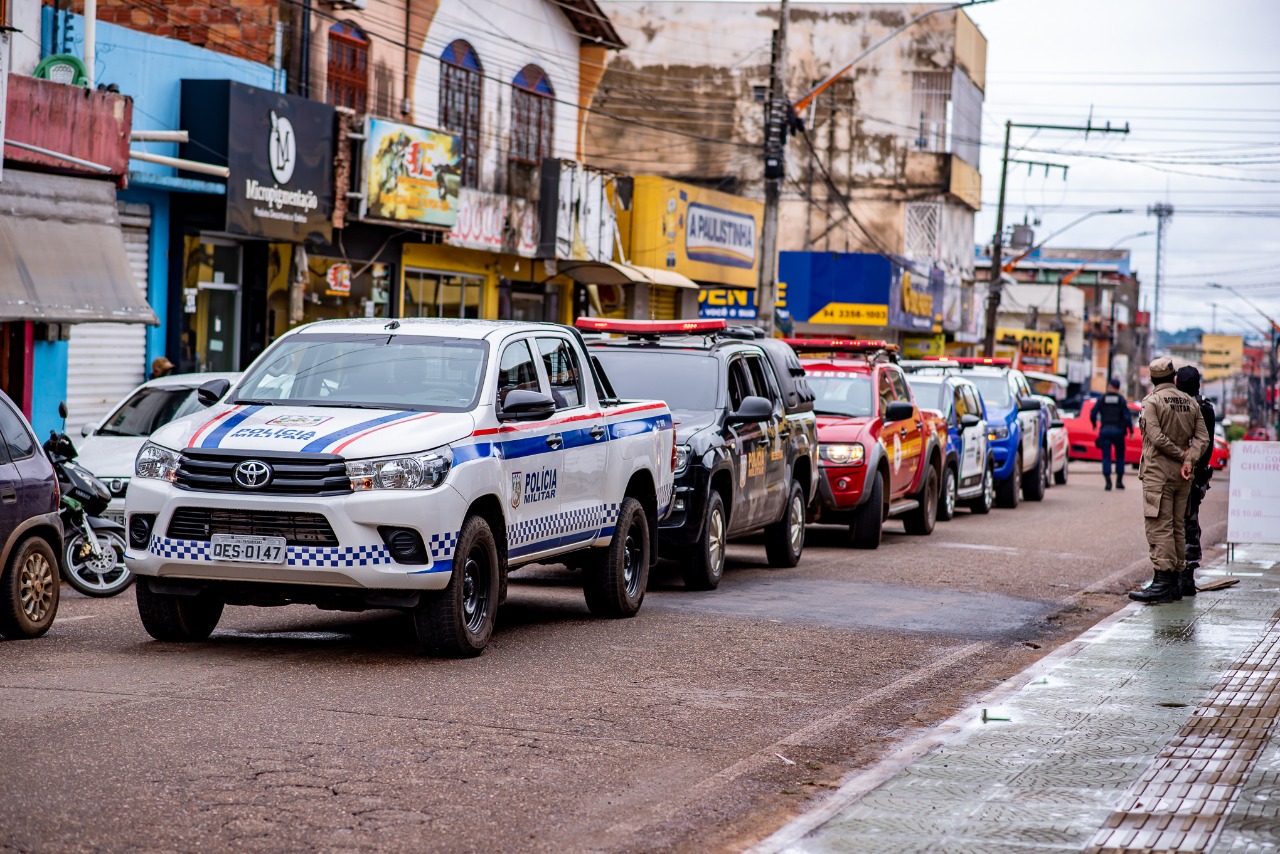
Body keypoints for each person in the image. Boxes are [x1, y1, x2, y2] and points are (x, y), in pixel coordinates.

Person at [1130, 357, 1211, 604]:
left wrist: (1179, 455)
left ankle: (1163, 582)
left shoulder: (1152, 402)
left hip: (1159, 474)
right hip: (1183, 476)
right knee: (1177, 526)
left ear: (1153, 379)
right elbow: (1203, 438)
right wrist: (1189, 461)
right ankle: (1175, 580)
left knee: (1159, 526)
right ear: (1173, 377)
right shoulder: (1190, 402)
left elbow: (1154, 436)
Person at [1176, 365, 1216, 597]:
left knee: (1178, 523)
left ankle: (1178, 575)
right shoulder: (1206, 409)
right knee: (1190, 522)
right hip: (1198, 473)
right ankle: (1187, 576)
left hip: (1184, 472)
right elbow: (1208, 446)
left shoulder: (1180, 408)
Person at [1091, 377, 1134, 490]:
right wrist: (1131, 431)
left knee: (1106, 457)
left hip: (1105, 431)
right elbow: (1127, 417)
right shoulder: (1121, 400)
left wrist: (1094, 424)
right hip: (1118, 432)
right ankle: (1119, 481)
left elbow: (1093, 413)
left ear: (1109, 386)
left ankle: (1108, 482)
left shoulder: (1102, 399)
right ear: (1118, 388)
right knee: (1120, 456)